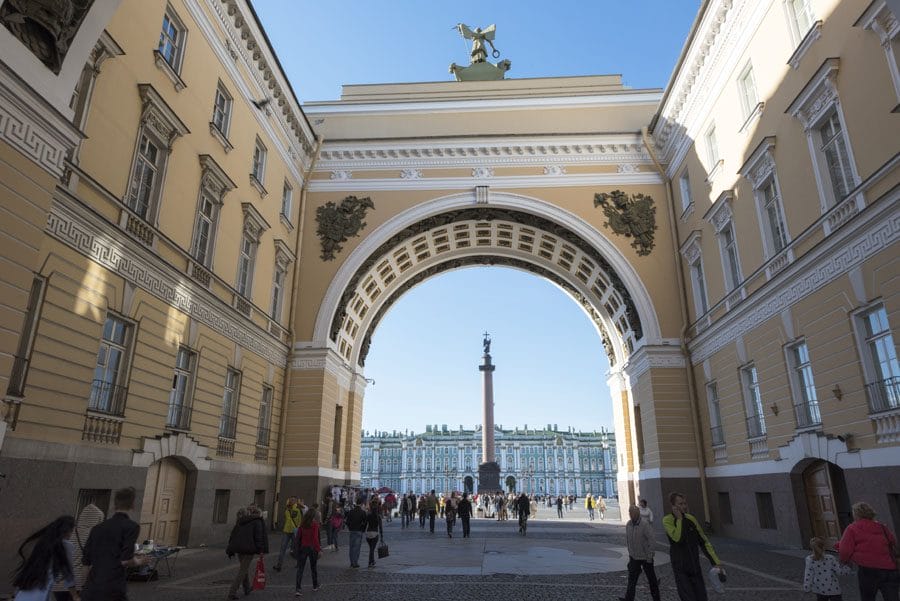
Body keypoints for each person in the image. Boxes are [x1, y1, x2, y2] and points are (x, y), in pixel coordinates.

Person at [81, 487, 147, 601]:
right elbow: (125, 560)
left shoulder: (97, 528)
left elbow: (85, 562)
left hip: (91, 587)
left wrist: (86, 586)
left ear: (114, 505)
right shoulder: (131, 526)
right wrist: (139, 561)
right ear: (132, 505)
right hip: (113, 586)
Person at [663, 492, 724, 601]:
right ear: (673, 506)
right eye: (680, 504)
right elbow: (677, 539)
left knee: (701, 597)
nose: (684, 506)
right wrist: (680, 519)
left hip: (695, 566)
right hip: (680, 568)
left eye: (684, 503)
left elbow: (704, 541)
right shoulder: (667, 520)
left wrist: (716, 562)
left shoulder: (691, 519)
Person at [837, 501, 900, 601]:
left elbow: (845, 550)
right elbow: (893, 542)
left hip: (868, 570)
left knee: (868, 598)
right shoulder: (882, 527)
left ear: (856, 514)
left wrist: (844, 561)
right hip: (889, 569)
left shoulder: (852, 528)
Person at [11, 516, 78, 601]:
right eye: (72, 531)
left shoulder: (43, 543)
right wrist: (75, 596)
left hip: (23, 595)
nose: (71, 534)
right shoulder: (66, 545)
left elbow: (28, 569)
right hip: (40, 595)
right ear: (67, 530)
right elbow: (68, 574)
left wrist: (15, 595)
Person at [54, 503, 104, 600]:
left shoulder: (69, 533)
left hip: (59, 584)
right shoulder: (95, 535)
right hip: (79, 583)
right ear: (98, 519)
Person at [225, 505, 268, 600]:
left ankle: (247, 588)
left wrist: (230, 548)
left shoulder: (242, 520)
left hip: (240, 548)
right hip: (249, 549)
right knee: (243, 570)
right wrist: (261, 550)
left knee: (244, 568)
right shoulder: (257, 521)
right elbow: (259, 537)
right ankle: (232, 592)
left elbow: (233, 534)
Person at [620, 505, 661, 601]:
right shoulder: (628, 524)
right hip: (634, 557)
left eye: (633, 512)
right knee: (632, 580)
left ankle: (656, 598)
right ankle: (628, 598)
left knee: (652, 580)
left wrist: (650, 555)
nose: (631, 515)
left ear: (638, 513)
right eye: (630, 513)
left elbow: (651, 540)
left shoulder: (645, 524)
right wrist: (630, 553)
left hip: (646, 557)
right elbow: (628, 540)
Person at [804, 536, 851, 601]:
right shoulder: (830, 558)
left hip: (819, 589)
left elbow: (808, 575)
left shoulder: (809, 560)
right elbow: (840, 572)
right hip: (833, 588)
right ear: (824, 547)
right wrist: (847, 567)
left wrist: (807, 588)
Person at [294, 505, 321, 596]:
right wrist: (319, 549)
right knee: (313, 568)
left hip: (303, 547)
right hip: (312, 548)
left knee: (300, 569)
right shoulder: (315, 525)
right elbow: (315, 539)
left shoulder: (302, 524)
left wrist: (296, 549)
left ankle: (298, 589)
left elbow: (298, 538)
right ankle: (315, 585)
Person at [274, 496, 301, 572]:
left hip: (294, 531)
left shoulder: (297, 510)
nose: (291, 501)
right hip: (286, 530)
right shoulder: (287, 509)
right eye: (290, 500)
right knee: (282, 548)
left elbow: (300, 521)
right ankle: (279, 565)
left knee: (296, 548)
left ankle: (299, 563)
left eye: (293, 500)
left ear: (295, 501)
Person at [346, 500, 367, 568]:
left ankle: (352, 562)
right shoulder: (363, 512)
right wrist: (363, 530)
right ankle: (355, 562)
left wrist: (350, 528)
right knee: (357, 548)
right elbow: (365, 522)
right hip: (359, 531)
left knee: (351, 547)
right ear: (361, 504)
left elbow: (347, 521)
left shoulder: (351, 511)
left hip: (352, 531)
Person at [364, 500, 383, 568]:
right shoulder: (378, 517)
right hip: (375, 533)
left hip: (368, 533)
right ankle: (370, 562)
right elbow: (380, 527)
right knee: (372, 549)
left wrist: (363, 531)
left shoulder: (368, 515)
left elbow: (365, 524)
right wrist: (382, 536)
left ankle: (372, 561)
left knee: (371, 549)